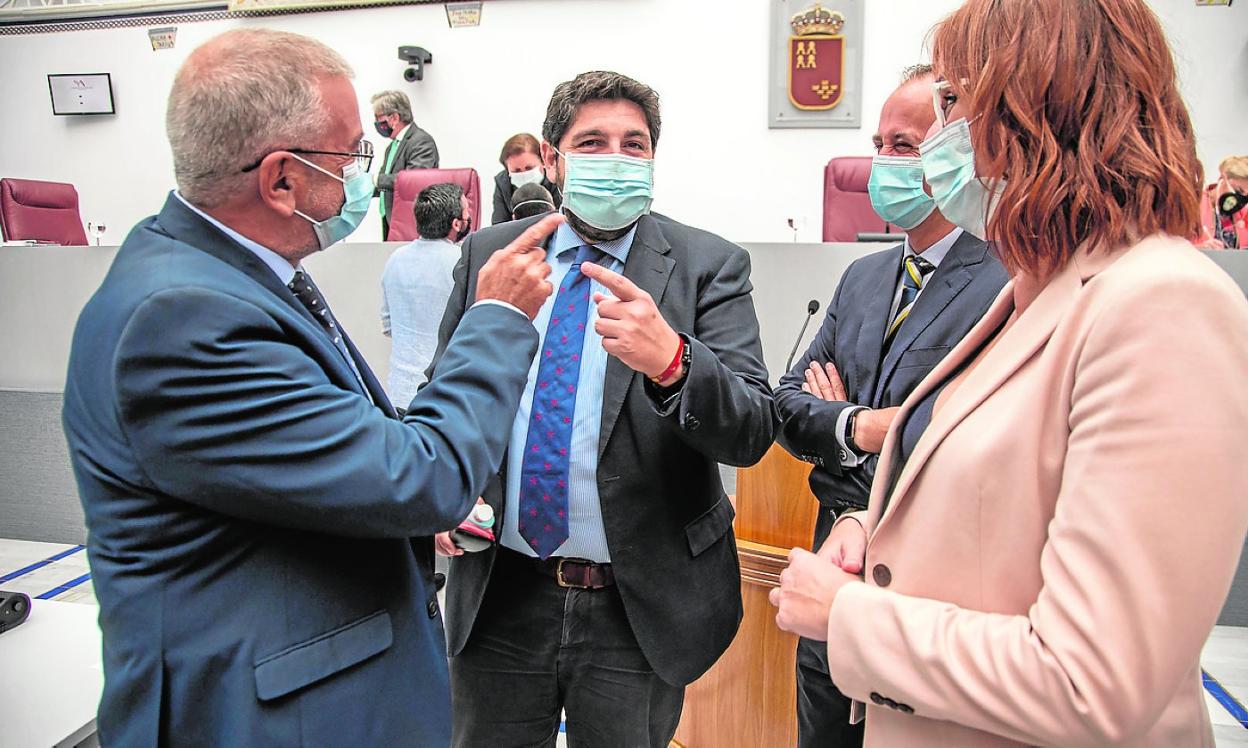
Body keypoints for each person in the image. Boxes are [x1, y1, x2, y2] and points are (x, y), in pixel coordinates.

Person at [61, 28, 559, 746]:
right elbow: (423, 478)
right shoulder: (181, 319)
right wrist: (497, 317)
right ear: (281, 179)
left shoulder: (224, 278)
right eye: (351, 155)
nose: (362, 177)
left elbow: (303, 465)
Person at [769, 1, 1248, 745]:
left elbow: (1093, 682)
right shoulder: (1042, 289)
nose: (936, 145)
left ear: (1036, 107)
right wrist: (873, 526)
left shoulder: (1163, 303)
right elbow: (1009, 499)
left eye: (954, 103)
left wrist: (847, 616)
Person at [429, 71, 779, 747]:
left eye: (634, 144)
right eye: (592, 142)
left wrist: (675, 363)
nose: (616, 159)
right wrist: (448, 491)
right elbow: (447, 393)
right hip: (499, 593)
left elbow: (753, 431)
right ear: (554, 159)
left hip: (636, 606)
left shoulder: (707, 265)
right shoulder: (491, 254)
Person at [773, 63, 1007, 748]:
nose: (881, 164)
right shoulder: (863, 277)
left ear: (952, 153)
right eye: (878, 144)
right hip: (827, 583)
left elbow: (966, 435)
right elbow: (788, 406)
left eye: (903, 146)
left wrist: (857, 432)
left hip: (930, 597)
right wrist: (861, 425)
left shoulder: (1007, 279)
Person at [381, 182, 471, 412]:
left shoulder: (395, 259)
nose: (469, 215)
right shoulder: (463, 261)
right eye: (466, 211)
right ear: (456, 223)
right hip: (445, 396)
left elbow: (389, 326)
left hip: (399, 395)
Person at [372, 89, 440, 238]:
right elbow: (386, 183)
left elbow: (414, 180)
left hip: (411, 224)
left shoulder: (421, 141)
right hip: (390, 218)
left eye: (378, 117)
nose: (376, 123)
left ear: (395, 117)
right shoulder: (392, 146)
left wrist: (376, 179)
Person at [491, 132, 562, 225]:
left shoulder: (557, 177)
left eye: (529, 168)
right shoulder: (502, 183)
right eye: (516, 171)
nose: (523, 174)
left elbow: (564, 220)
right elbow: (498, 226)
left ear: (543, 162)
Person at [1197, 155, 1248, 249]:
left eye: (1247, 197)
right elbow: (1168, 247)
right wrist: (1199, 249)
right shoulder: (1193, 204)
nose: (1240, 198)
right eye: (1239, 191)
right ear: (1223, 178)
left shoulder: (1244, 215)